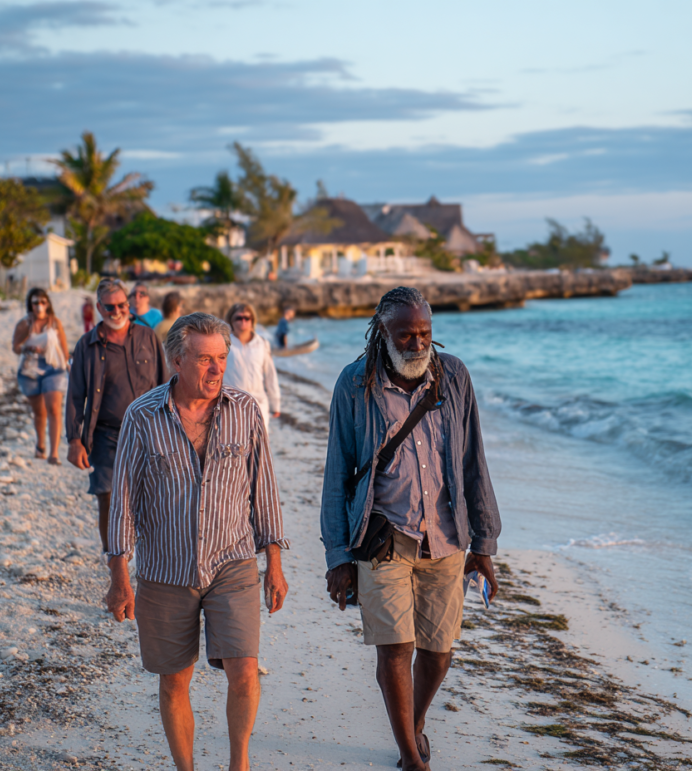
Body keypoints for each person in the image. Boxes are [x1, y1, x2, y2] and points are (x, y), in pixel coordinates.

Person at [321, 287, 502, 771]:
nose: (419, 343)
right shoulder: (354, 383)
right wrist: (338, 556)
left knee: (438, 653)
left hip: (446, 538)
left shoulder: (454, 376)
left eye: (425, 333)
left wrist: (484, 544)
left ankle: (414, 724)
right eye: (407, 334)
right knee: (396, 648)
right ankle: (411, 758)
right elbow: (337, 471)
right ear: (383, 332)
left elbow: (473, 462)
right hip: (383, 538)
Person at [105, 312, 289, 771]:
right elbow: (123, 501)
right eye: (204, 359)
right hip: (165, 570)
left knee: (244, 670)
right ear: (176, 360)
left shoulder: (246, 411)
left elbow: (263, 489)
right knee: (174, 680)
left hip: (233, 562)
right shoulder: (142, 416)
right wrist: (119, 578)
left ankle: (238, 764)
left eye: (221, 358)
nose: (215, 369)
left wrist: (275, 564)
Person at [66, 278, 169, 553]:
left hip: (149, 432)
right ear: (99, 307)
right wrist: (74, 440)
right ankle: (115, 562)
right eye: (110, 307)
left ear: (129, 303)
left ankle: (148, 560)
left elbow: (165, 383)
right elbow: (76, 396)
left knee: (152, 499)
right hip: (106, 434)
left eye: (122, 304)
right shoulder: (86, 346)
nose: (117, 311)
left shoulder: (148, 337)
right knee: (108, 498)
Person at [12, 288, 70, 464]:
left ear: (48, 304)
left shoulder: (55, 322)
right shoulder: (24, 324)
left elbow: (65, 349)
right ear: (30, 304)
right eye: (36, 302)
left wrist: (66, 362)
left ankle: (54, 453)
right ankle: (40, 445)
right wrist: (27, 346)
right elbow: (15, 347)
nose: (39, 306)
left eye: (43, 302)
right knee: (39, 412)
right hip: (30, 370)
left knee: (54, 408)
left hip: (53, 368)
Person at [223, 302, 280, 428]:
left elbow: (270, 374)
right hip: (230, 405)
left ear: (252, 321)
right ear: (231, 320)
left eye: (247, 318)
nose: (243, 321)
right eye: (239, 318)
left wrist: (275, 403)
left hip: (258, 403)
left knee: (258, 444)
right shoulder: (224, 344)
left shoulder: (262, 344)